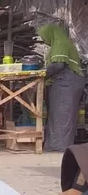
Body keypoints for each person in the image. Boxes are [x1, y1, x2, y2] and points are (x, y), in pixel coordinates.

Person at [39, 24, 86, 152]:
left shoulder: (60, 44)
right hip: (64, 83)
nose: (44, 41)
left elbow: (58, 65)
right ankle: (56, 145)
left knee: (62, 116)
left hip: (66, 84)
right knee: (58, 116)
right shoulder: (59, 44)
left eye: (44, 38)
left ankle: (59, 147)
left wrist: (42, 74)